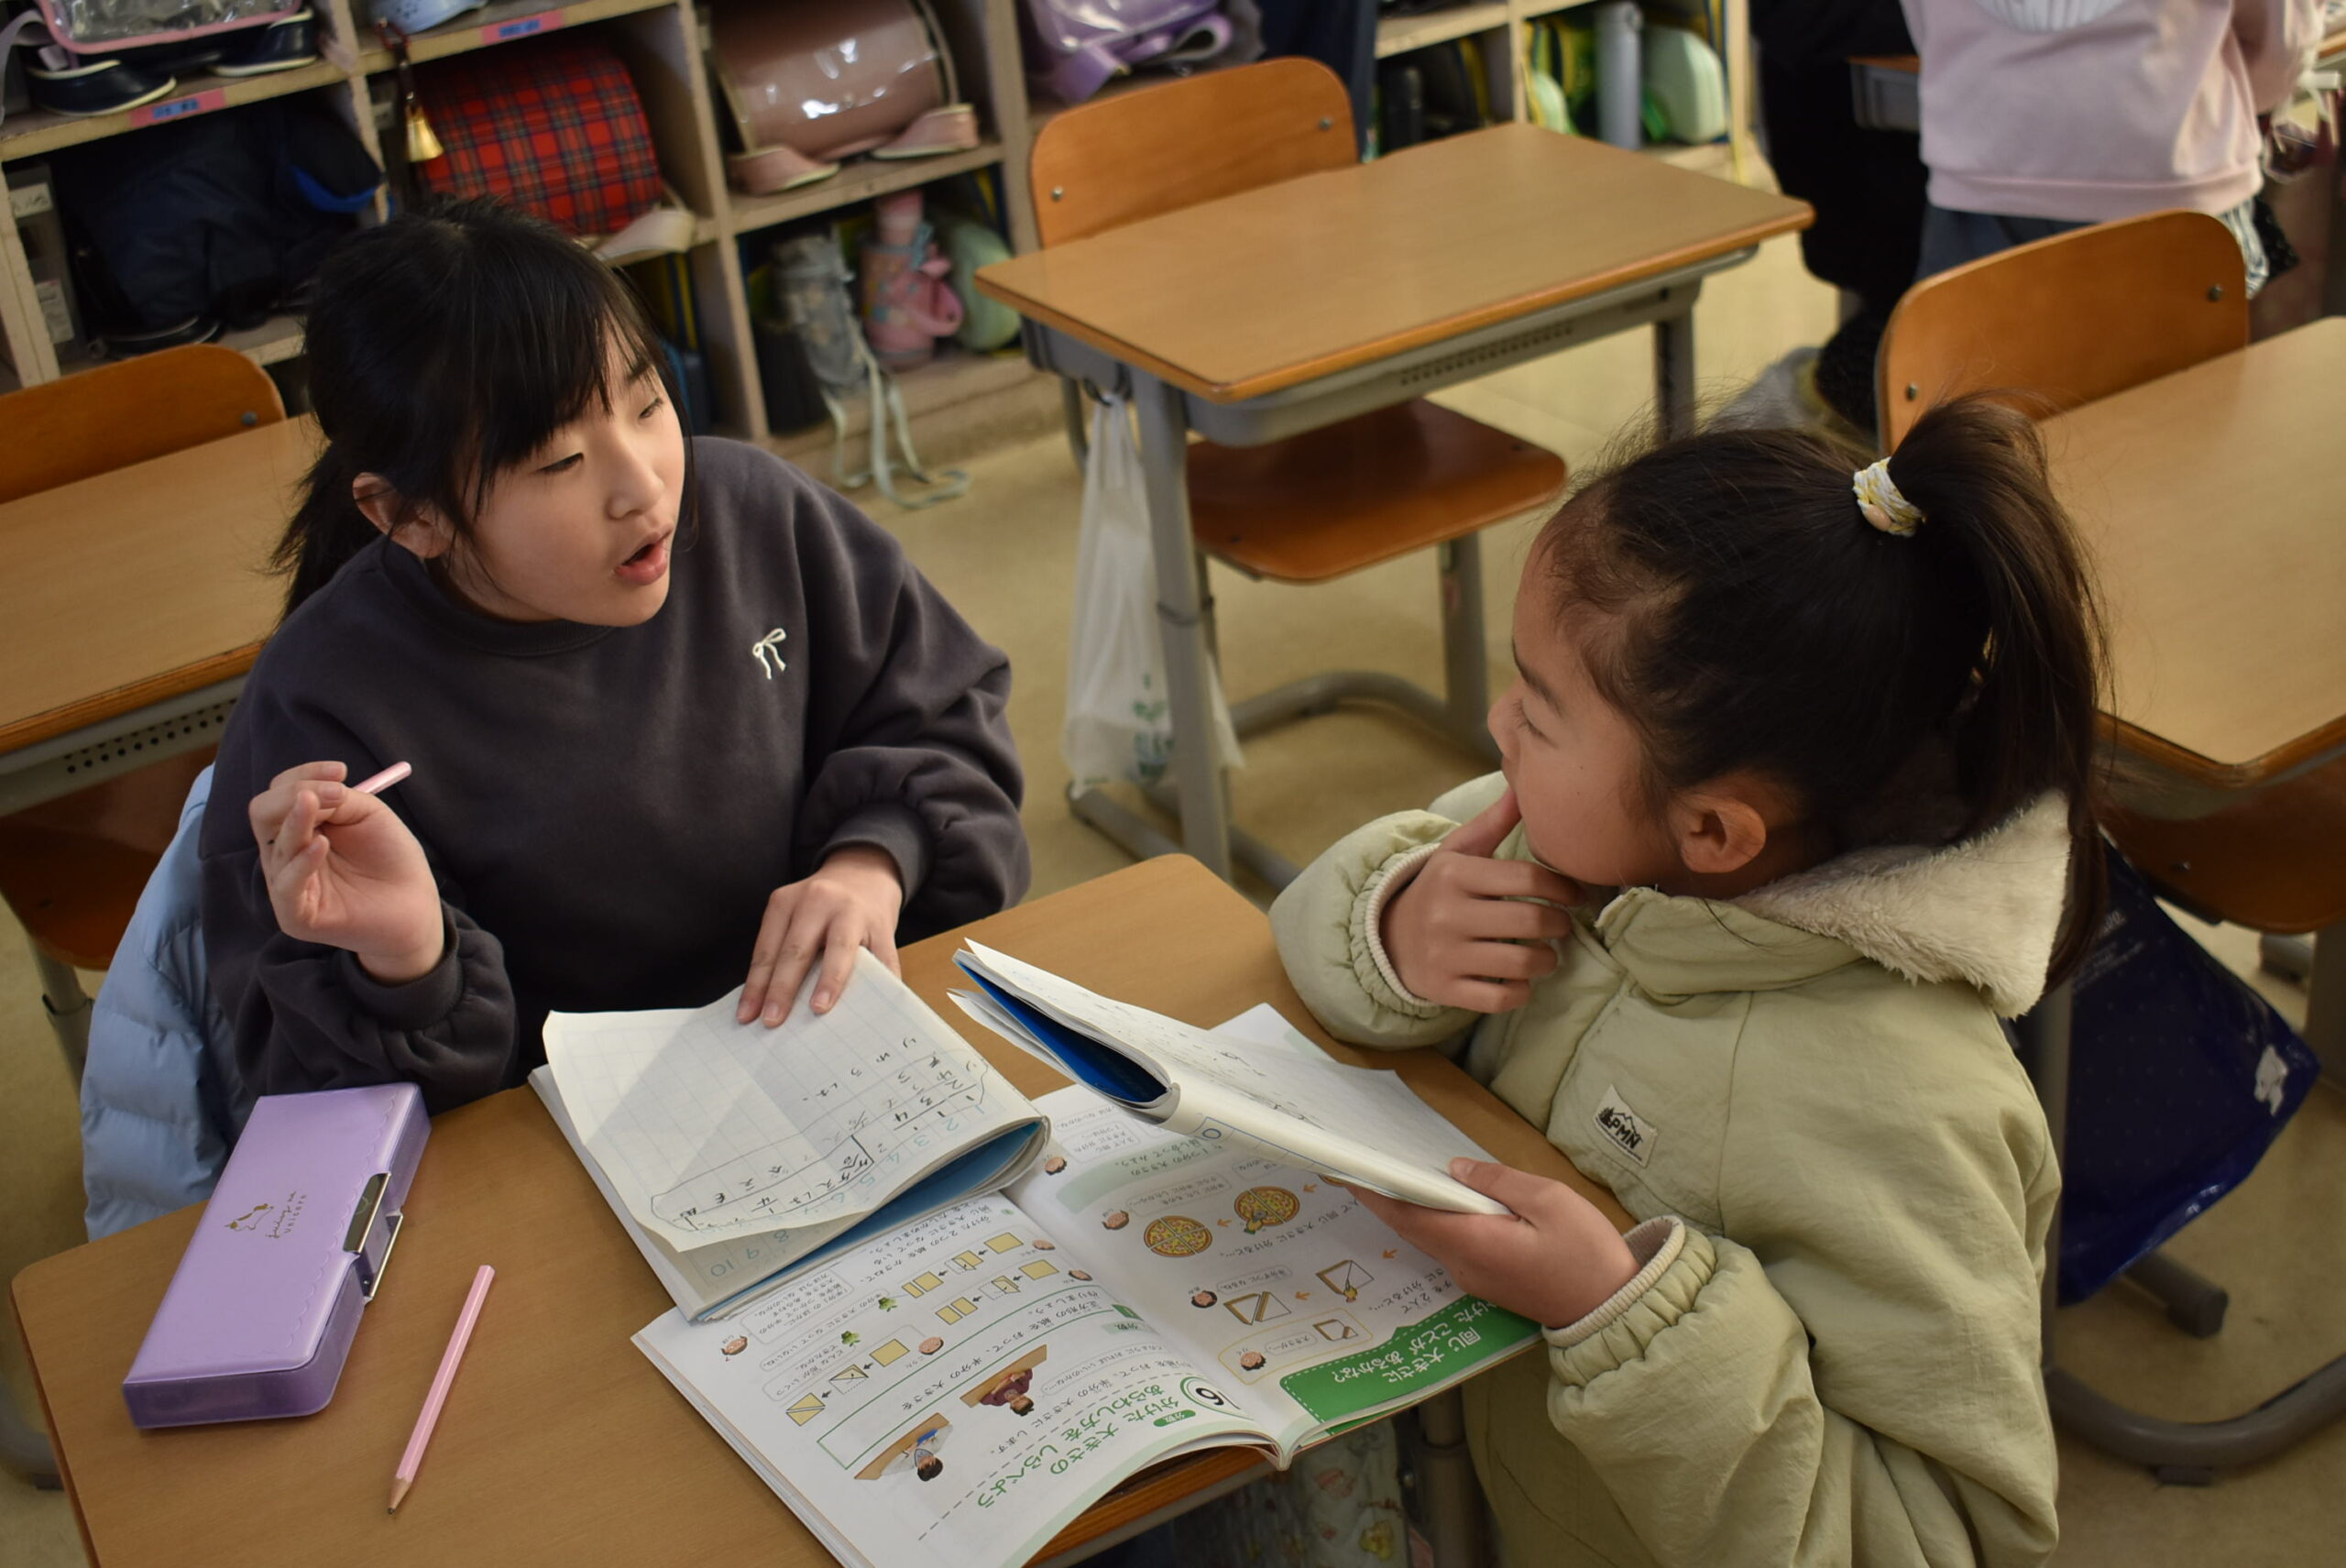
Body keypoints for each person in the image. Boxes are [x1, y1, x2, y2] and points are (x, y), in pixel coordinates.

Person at [1271, 397, 2104, 1565]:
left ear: (1715, 831)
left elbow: (1942, 1540)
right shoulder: (1579, 842)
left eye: (1538, 711)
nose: (1497, 724)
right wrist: (1395, 925)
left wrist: (1620, 1314)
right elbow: (1306, 931)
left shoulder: (1908, 1110)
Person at [201, 199, 1027, 1113]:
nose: (644, 486)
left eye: (647, 403)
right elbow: (319, 1117)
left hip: (841, 1060)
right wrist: (407, 963)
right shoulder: (320, 709)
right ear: (411, 514)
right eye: (560, 461)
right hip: (575, 1141)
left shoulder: (758, 514)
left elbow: (944, 714)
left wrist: (872, 860)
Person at [1902, 0, 2325, 289]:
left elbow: (1929, 31)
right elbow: (2284, 40)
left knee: (1980, 382)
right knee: (2187, 388)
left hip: (1983, 170)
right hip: (2176, 176)